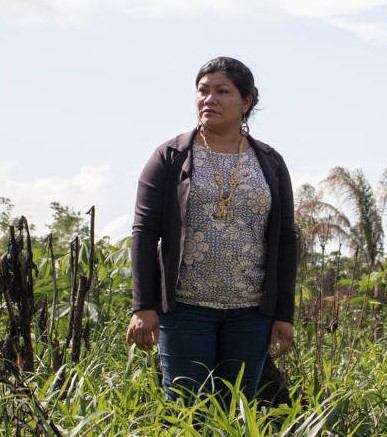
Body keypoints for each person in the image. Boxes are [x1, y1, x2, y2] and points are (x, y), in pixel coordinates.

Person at [125, 56, 298, 402]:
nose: (209, 99)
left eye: (222, 91)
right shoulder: (170, 156)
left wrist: (284, 315)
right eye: (203, 91)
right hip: (186, 310)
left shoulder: (270, 161)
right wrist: (143, 306)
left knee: (237, 409)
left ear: (246, 102)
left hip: (250, 314)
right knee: (187, 409)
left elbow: (285, 239)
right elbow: (144, 232)